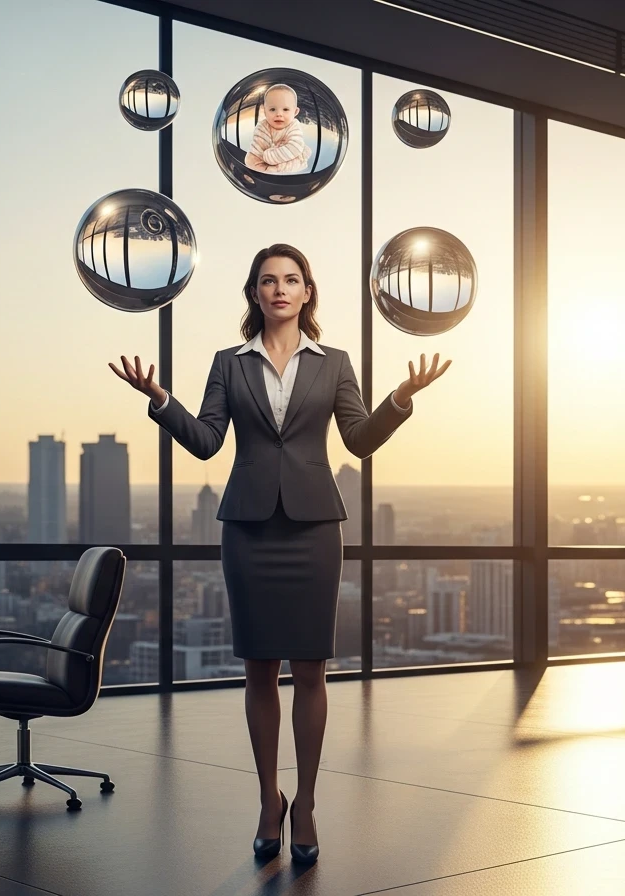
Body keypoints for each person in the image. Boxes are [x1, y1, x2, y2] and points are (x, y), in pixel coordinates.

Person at [110, 243, 450, 864]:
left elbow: (359, 440)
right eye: (267, 281)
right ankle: (270, 798)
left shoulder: (335, 363)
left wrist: (401, 398)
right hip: (247, 531)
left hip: (316, 530)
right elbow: (208, 443)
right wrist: (160, 400)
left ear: (307, 292)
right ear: (254, 293)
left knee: (312, 669)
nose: (279, 290)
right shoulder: (228, 363)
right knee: (260, 669)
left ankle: (309, 803)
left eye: (291, 280)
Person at [244, 84, 311, 174]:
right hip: (266, 155)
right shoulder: (262, 126)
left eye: (285, 109)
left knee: (297, 161)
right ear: (265, 111)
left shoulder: (293, 126)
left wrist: (270, 157)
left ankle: (277, 170)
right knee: (250, 159)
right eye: (272, 109)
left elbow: (295, 146)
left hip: (289, 155)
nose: (279, 114)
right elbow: (258, 147)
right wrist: (261, 160)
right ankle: (260, 173)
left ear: (295, 112)